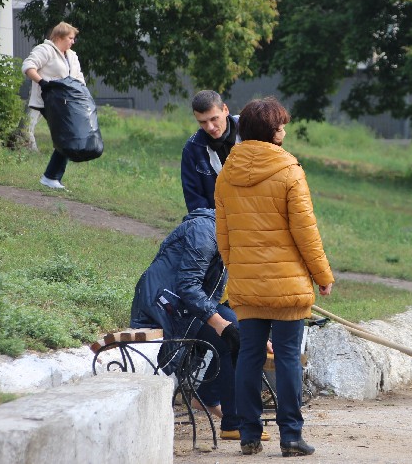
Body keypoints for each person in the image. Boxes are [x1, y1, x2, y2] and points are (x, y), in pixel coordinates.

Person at [214, 97, 334, 457]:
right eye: (281, 125)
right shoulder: (289, 171)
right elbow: (306, 231)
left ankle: (249, 435)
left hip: (247, 285)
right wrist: (322, 274)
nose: (284, 130)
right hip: (288, 285)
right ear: (272, 132)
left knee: (249, 357)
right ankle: (291, 436)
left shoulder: (227, 173)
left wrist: (238, 269)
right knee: (287, 358)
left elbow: (223, 235)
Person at [129, 208, 250, 440]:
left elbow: (216, 293)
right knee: (233, 335)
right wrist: (219, 324)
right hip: (163, 305)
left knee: (240, 332)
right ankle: (233, 422)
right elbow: (188, 286)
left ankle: (212, 402)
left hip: (183, 305)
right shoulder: (205, 232)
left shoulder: (224, 236)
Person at [21, 21, 85, 189]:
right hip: (49, 102)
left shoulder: (72, 56)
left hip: (68, 103)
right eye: (70, 38)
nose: (73, 41)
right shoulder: (45, 50)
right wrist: (43, 83)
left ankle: (51, 177)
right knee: (67, 136)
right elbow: (28, 66)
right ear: (59, 37)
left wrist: (83, 95)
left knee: (67, 137)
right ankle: (50, 177)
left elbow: (79, 77)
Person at [181, 90, 240, 212]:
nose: (210, 127)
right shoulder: (191, 149)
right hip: (215, 219)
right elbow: (195, 201)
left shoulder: (250, 128)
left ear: (225, 110)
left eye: (214, 119)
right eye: (202, 122)